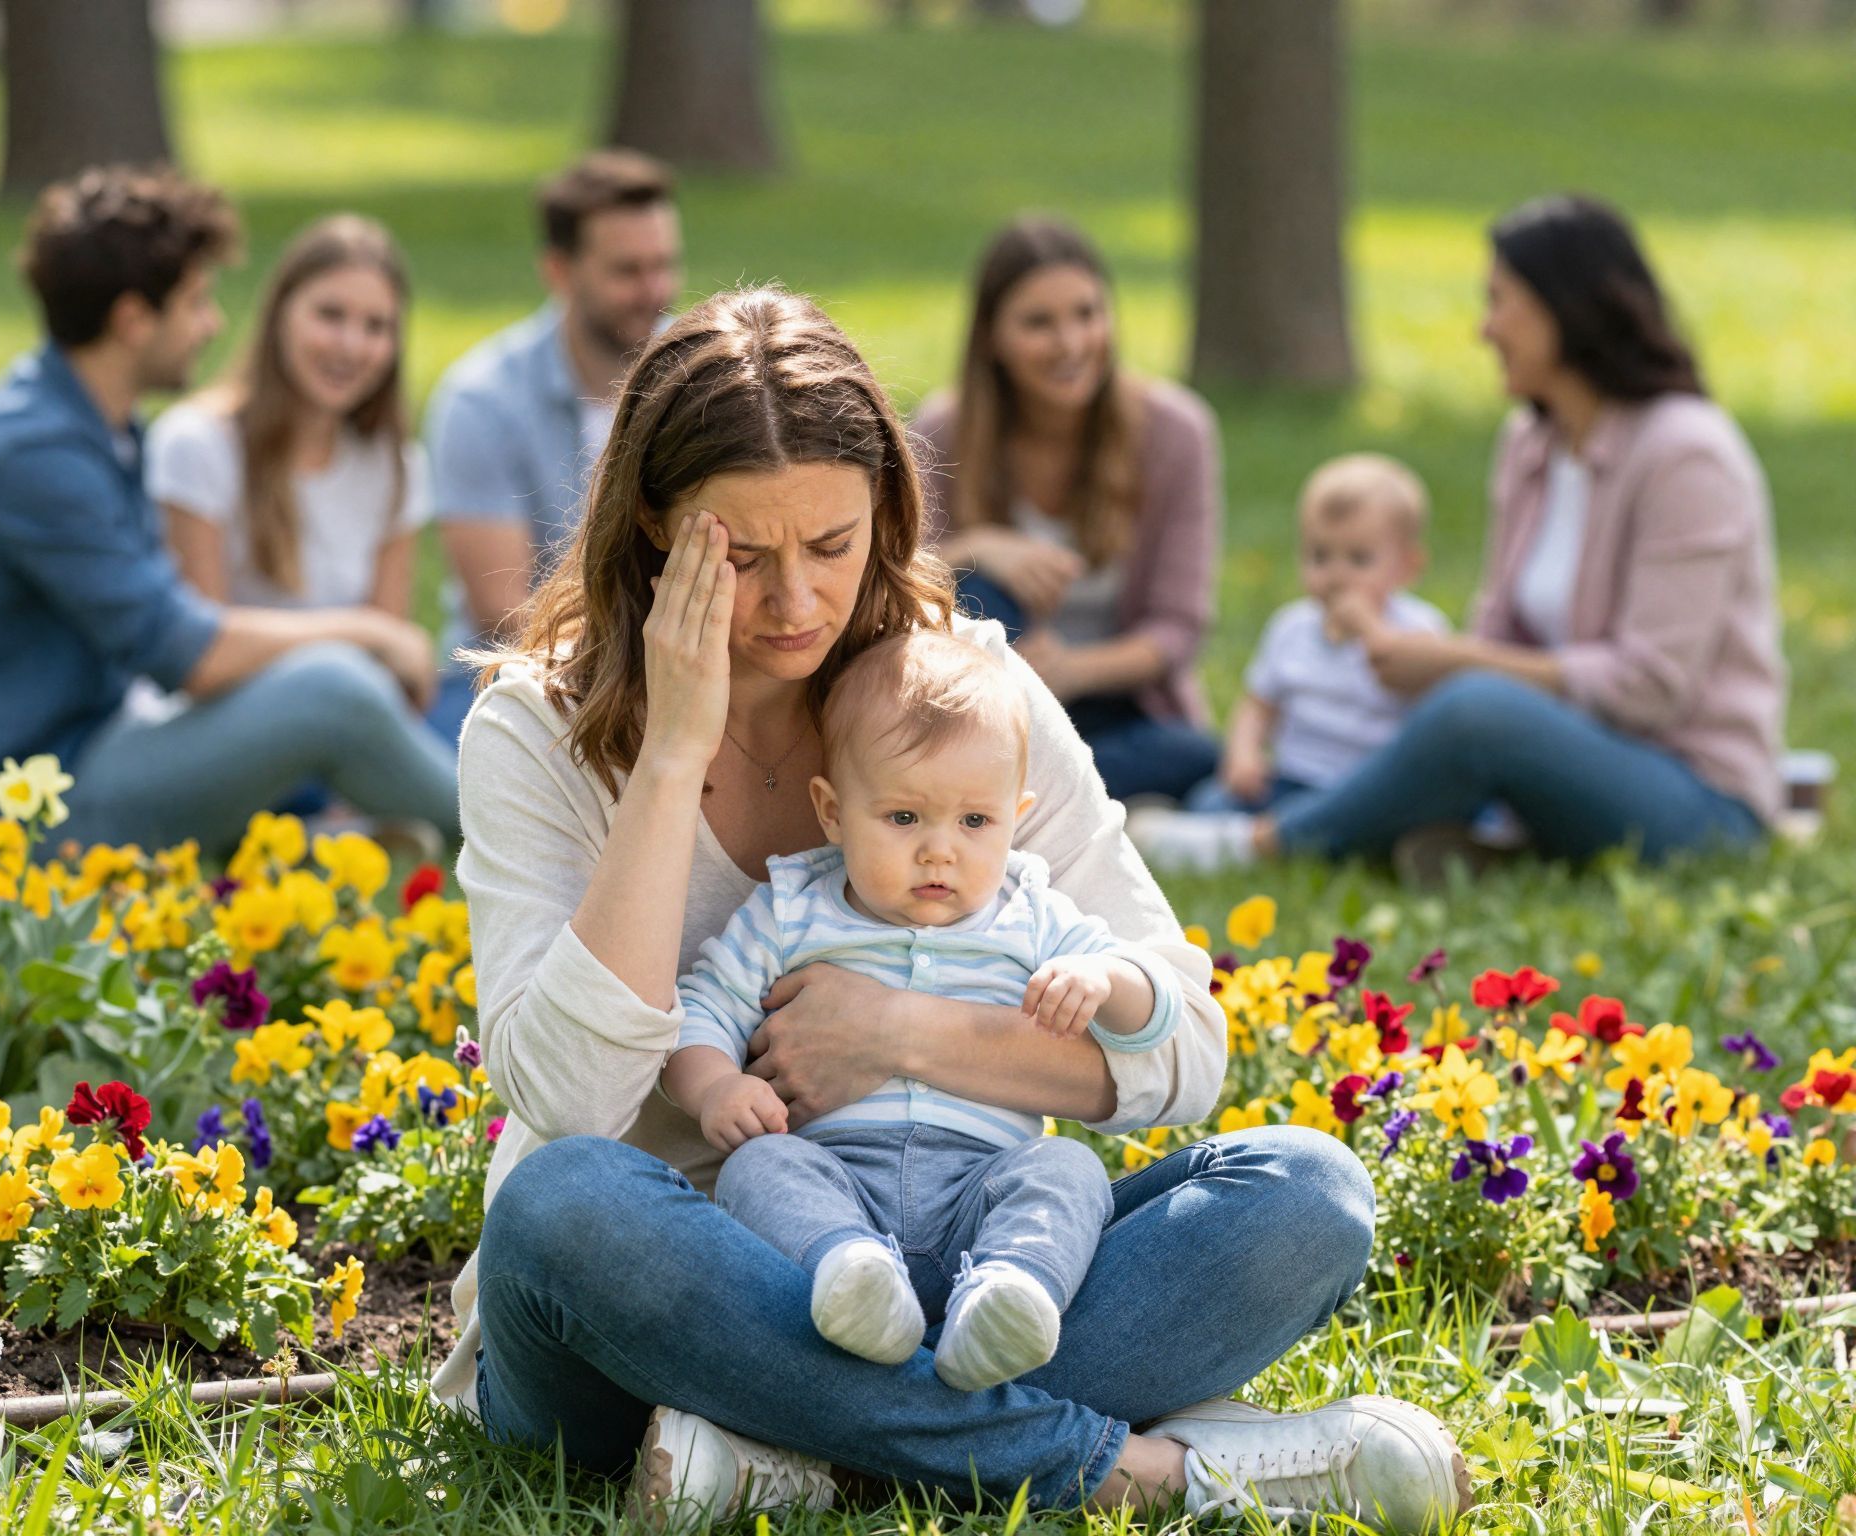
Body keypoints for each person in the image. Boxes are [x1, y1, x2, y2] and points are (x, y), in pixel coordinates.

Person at [438, 286, 1469, 1532]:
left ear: (886, 511)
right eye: (742, 557)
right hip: (669, 1292)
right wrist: (671, 756)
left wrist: (895, 1038)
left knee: (1306, 1193)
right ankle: (1146, 1475)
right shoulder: (535, 730)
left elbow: (1187, 1047)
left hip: (953, 1267)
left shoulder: (959, 691)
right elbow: (566, 1103)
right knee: (559, 1204)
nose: (793, 605)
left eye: (830, 546)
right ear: (656, 525)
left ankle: (789, 1458)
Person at [1129, 194, 1785, 873]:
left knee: (1476, 710)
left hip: (1696, 797)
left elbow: (1651, 687)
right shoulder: (1533, 443)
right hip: (1551, 756)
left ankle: (1256, 847)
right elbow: (1499, 629)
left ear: (1568, 307)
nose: (1485, 329)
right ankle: (1460, 841)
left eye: (1501, 302)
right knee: (1462, 710)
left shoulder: (1687, 454)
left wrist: (1458, 666)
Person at [663, 630, 1174, 1393]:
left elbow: (1158, 1007)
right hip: (837, 1175)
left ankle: (1009, 1294)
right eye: (904, 819)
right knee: (760, 1167)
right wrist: (715, 1089)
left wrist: (1103, 978)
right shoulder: (792, 907)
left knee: (1066, 1168)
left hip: (984, 1183)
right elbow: (704, 1007)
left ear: (1016, 815)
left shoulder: (1030, 910)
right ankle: (851, 1274)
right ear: (833, 811)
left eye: (975, 823)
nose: (941, 852)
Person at [0, 166, 459, 853]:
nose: (213, 324)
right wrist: (367, 631)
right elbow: (186, 655)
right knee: (335, 689)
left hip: (105, 745)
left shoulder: (98, 427)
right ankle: (519, 842)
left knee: (359, 693)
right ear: (135, 320)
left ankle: (391, 833)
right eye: (196, 301)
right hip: (30, 808)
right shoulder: (35, 450)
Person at [911, 217, 1221, 804]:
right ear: (992, 337)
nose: (1072, 344)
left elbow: (1177, 628)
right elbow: (900, 589)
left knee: (1199, 756)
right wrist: (978, 546)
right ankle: (1059, 796)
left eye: (1087, 314)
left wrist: (1074, 670)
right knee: (977, 587)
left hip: (1117, 702)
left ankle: (1017, 795)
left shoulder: (1176, 432)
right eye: (1038, 323)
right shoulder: (942, 431)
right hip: (990, 706)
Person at [424, 149, 682, 742]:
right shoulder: (482, 399)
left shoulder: (701, 377)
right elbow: (503, 612)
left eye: (664, 265)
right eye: (628, 271)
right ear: (561, 271)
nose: (656, 290)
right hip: (521, 679)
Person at [147, 213, 429, 618]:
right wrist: (358, 639)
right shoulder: (197, 444)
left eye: (376, 326)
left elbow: (394, 647)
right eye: (330, 315)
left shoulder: (396, 464)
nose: (351, 346)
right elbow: (200, 648)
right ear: (281, 313)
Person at [1179, 455, 1448, 821]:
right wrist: (1243, 755)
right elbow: (1259, 704)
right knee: (1210, 803)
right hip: (1296, 778)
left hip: (1376, 785)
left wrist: (1370, 629)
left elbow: (1435, 717)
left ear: (1407, 566)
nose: (1336, 575)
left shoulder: (1420, 628)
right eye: (1320, 556)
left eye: (1359, 559)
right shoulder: (1291, 627)